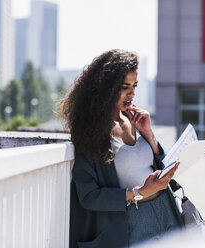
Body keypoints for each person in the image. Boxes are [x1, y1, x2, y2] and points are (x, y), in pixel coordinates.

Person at [58, 49, 184, 248]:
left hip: (167, 209)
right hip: (132, 221)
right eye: (125, 86)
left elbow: (162, 164)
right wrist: (140, 191)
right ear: (106, 88)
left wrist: (149, 134)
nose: (132, 93)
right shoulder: (89, 132)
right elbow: (89, 196)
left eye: (134, 86)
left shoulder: (135, 121)